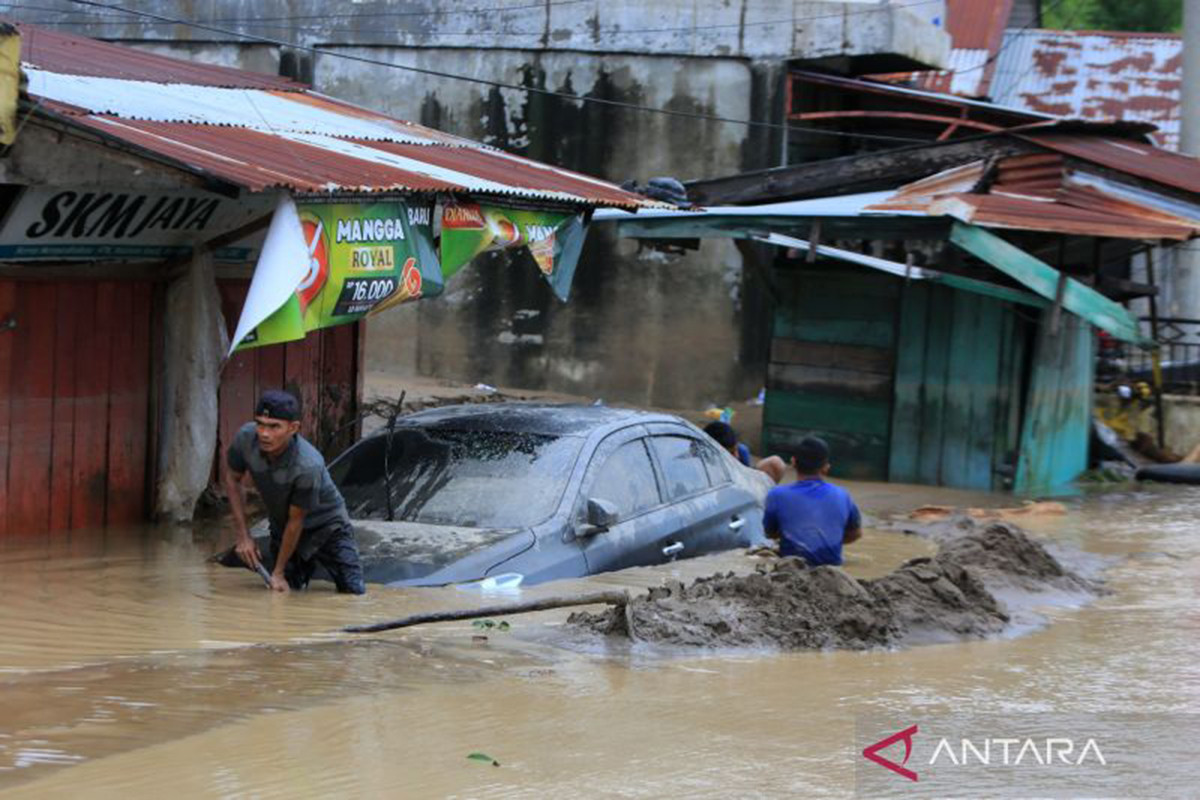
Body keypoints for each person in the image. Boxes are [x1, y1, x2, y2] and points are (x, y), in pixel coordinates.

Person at [223, 389, 366, 595]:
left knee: (354, 592)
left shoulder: (308, 465)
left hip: (327, 527)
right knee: (284, 592)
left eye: (274, 426)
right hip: (283, 525)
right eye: (260, 424)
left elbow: (296, 520)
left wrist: (278, 571)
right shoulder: (245, 438)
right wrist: (243, 536)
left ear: (293, 428)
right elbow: (232, 479)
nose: (264, 433)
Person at [762, 435, 862, 566]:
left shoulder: (776, 495)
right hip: (832, 570)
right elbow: (856, 534)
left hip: (791, 568)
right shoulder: (843, 495)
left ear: (793, 462)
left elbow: (769, 533)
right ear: (826, 467)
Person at [703, 421, 787, 484]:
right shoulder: (702, 464)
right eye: (731, 453)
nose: (737, 456)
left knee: (775, 462)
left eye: (736, 450)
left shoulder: (742, 451)